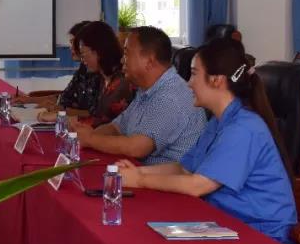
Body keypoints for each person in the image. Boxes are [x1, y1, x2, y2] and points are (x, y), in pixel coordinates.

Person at [116, 38, 297, 244]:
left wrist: (139, 180)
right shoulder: (218, 121)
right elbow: (184, 169)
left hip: (260, 236)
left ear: (216, 80)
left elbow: (198, 185)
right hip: (225, 225)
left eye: (194, 74)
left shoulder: (244, 128)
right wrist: (137, 173)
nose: (189, 83)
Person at [72, 26, 206, 164]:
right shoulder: (146, 90)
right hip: (139, 170)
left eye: (126, 54)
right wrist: (87, 136)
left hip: (165, 176)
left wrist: (90, 139)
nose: (122, 60)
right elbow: (116, 127)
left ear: (149, 61)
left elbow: (136, 147)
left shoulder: (171, 95)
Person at [40, 21, 133, 126]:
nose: (82, 59)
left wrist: (61, 117)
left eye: (83, 53)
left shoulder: (121, 82)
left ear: (98, 51)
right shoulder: (104, 78)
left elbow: (102, 121)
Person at [15, 20, 100, 116]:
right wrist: (28, 100)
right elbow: (63, 97)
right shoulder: (83, 69)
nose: (71, 47)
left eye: (73, 42)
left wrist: (61, 111)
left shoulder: (100, 75)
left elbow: (95, 115)